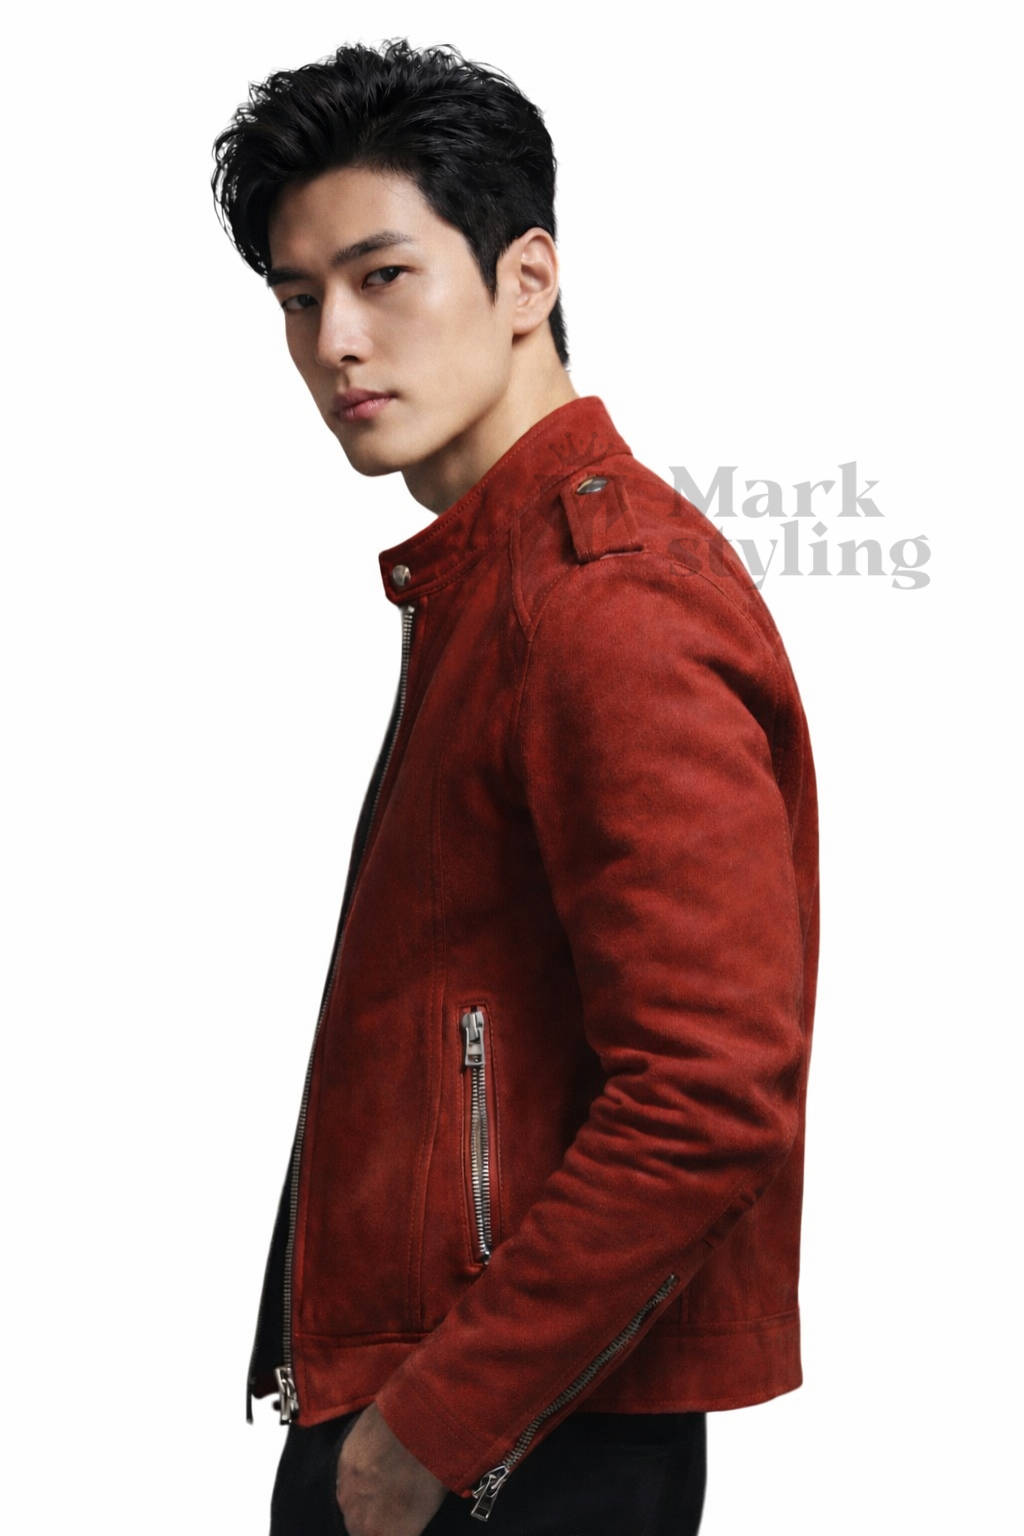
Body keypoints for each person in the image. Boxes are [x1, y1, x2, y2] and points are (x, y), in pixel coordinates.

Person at [211, 38, 818, 1536]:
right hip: (452, 1409)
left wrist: (425, 1432)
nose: (337, 341)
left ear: (527, 278)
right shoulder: (492, 582)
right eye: (298, 299)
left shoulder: (606, 603)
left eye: (383, 276)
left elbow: (711, 1092)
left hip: (513, 1437)